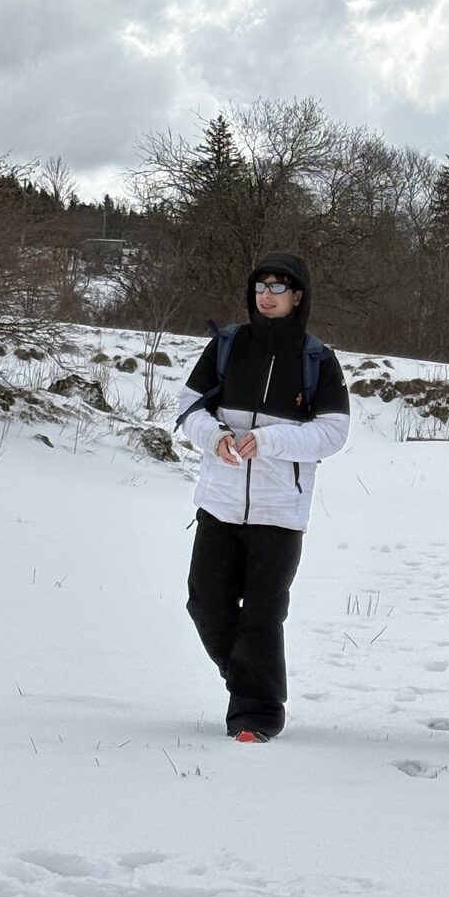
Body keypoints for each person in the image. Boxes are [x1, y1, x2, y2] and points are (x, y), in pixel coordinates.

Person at [174, 250, 349, 741]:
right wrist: (215, 437)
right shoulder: (227, 345)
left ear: (298, 296)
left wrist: (270, 442)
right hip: (219, 503)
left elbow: (333, 432)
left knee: (262, 616)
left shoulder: (317, 359)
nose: (266, 295)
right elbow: (189, 407)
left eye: (278, 287)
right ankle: (251, 681)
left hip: (279, 512)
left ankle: (256, 715)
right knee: (206, 603)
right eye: (260, 286)